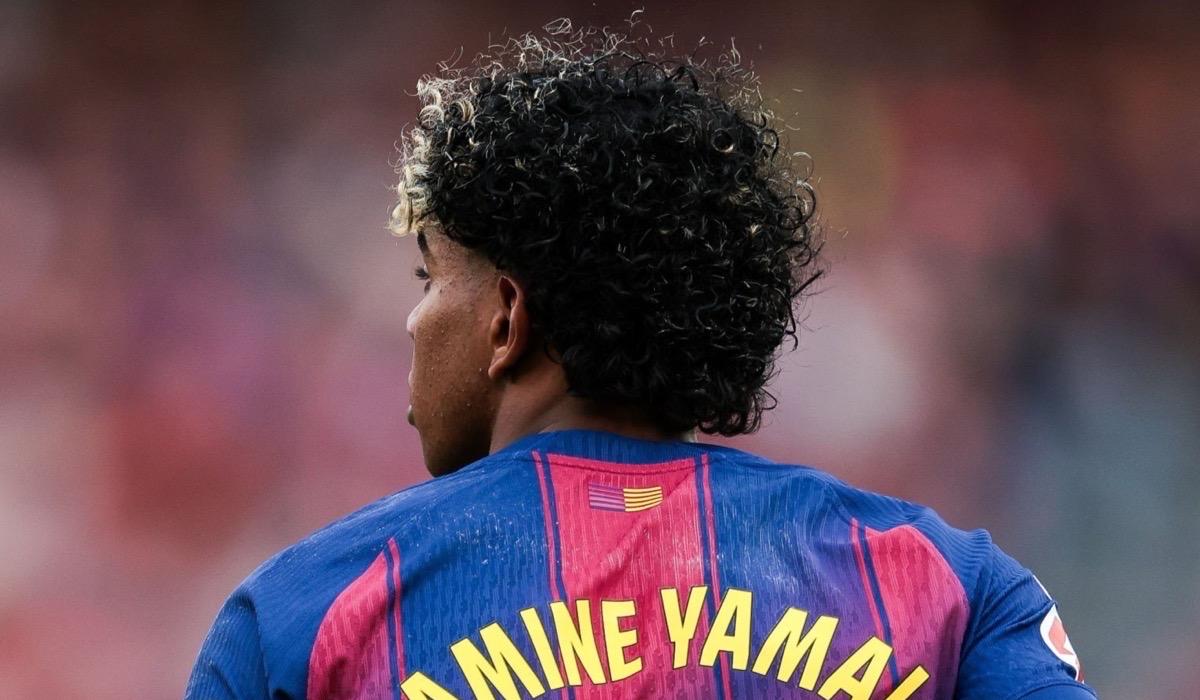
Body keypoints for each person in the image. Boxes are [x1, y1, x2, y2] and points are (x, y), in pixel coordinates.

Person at [186, 21, 1095, 700]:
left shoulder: (308, 614)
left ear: (506, 320)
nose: (415, 319)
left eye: (431, 277)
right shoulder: (947, 586)